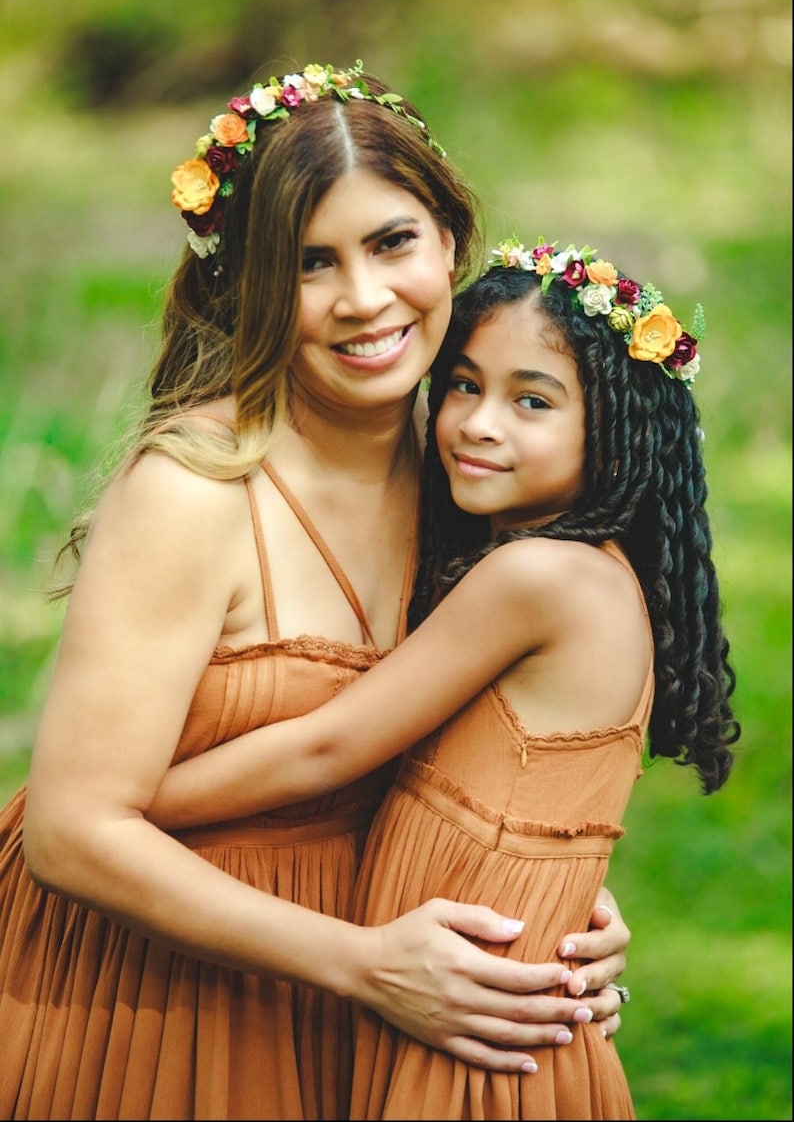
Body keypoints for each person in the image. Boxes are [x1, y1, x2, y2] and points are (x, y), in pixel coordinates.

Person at [0, 63, 631, 1122]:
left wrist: (549, 901)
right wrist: (362, 963)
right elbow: (70, 832)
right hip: (157, 990)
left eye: (391, 243)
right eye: (310, 263)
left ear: (448, 243)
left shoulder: (471, 481)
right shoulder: (196, 491)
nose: (363, 299)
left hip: (378, 970)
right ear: (248, 283)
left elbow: (442, 759)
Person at [146, 234, 741, 1120]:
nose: (478, 422)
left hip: (474, 1020)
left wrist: (134, 809)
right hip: (468, 989)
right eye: (463, 383)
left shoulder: (538, 577)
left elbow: (331, 742)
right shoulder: (567, 569)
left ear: (615, 429)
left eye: (530, 399)